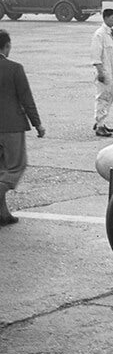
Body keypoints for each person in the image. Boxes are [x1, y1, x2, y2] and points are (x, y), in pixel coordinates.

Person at [0, 29, 45, 227]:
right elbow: (26, 99)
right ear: (7, 46)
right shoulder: (14, 68)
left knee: (1, 170)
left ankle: (3, 214)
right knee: (15, 167)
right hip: (11, 126)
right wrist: (38, 124)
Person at [90, 8, 113, 137]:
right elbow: (96, 55)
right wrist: (100, 72)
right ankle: (99, 125)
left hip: (112, 71)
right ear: (105, 18)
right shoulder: (99, 34)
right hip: (104, 71)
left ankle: (101, 121)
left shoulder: (111, 33)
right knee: (102, 98)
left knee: (110, 97)